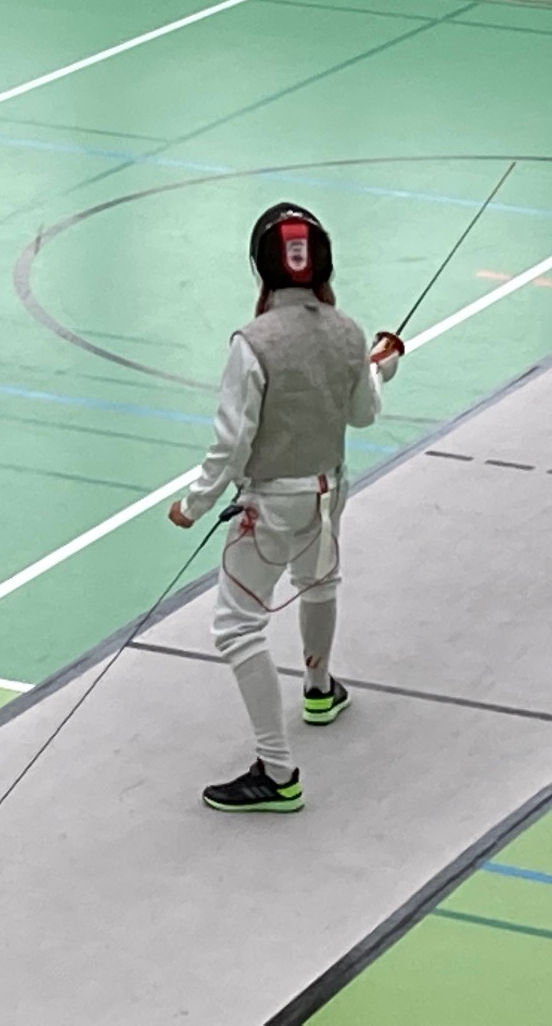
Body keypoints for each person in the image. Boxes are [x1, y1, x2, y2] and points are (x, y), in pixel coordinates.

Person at [169, 205, 404, 813]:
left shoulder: (253, 342)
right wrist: (380, 368)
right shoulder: (348, 332)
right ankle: (319, 690)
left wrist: (194, 505)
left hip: (271, 505)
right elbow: (363, 413)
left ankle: (276, 772)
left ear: (262, 269)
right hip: (328, 493)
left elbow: (232, 443)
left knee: (236, 627)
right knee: (319, 580)